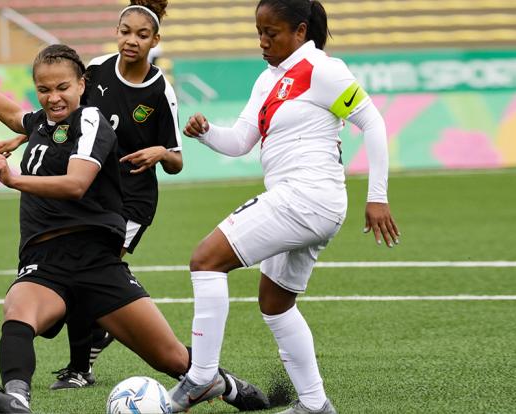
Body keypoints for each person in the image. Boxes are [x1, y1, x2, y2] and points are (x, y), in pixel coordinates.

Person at [0, 44, 268, 414]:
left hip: (97, 260)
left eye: (62, 88)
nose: (53, 97)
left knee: (169, 357)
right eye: (44, 90)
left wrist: (12, 179)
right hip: (45, 260)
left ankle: (225, 385)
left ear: (82, 85)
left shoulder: (90, 121)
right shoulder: (42, 123)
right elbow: (12, 114)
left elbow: (76, 184)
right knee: (18, 314)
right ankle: (17, 402)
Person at [166, 1, 400, 413]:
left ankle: (202, 376)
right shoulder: (268, 80)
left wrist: (377, 196)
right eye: (259, 31)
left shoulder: (323, 70)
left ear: (300, 30)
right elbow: (240, 142)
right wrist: (205, 133)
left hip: (307, 196)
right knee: (276, 304)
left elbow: (374, 122)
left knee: (205, 260)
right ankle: (314, 404)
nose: (262, 41)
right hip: (308, 204)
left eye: (271, 32)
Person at [0, 0, 183, 391]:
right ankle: (89, 346)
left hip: (131, 200)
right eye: (125, 32)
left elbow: (177, 159)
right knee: (86, 278)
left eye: (142, 35)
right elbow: (66, 113)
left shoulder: (161, 90)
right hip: (95, 189)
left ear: (155, 41)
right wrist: (25, 133)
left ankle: (82, 364)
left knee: (92, 273)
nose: (131, 41)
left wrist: (161, 153)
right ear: (116, 32)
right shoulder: (94, 70)